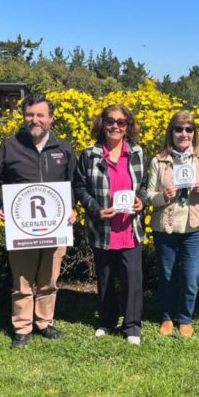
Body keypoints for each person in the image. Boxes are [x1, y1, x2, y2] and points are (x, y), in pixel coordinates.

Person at [0, 94, 76, 349]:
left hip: (56, 227)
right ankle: (22, 328)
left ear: (51, 118)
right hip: (22, 227)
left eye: (40, 115)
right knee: (22, 280)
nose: (34, 120)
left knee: (49, 279)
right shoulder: (9, 146)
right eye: (29, 114)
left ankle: (44, 322)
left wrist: (73, 208)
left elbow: (73, 184)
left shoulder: (64, 149)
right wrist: (1, 204)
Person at [74, 104, 148, 345]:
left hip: (130, 227)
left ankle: (132, 327)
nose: (115, 126)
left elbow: (145, 184)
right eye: (110, 121)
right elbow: (80, 187)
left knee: (132, 279)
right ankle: (106, 321)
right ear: (103, 124)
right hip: (102, 227)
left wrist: (142, 200)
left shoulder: (137, 152)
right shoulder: (89, 154)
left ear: (127, 127)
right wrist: (95, 209)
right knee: (105, 278)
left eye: (121, 122)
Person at [146, 110, 199, 338]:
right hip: (166, 227)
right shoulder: (159, 160)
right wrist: (163, 196)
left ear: (194, 133)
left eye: (188, 129)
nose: (184, 134)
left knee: (191, 278)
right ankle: (167, 318)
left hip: (195, 228)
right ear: (171, 132)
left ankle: (185, 318)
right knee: (167, 276)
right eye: (179, 129)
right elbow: (149, 196)